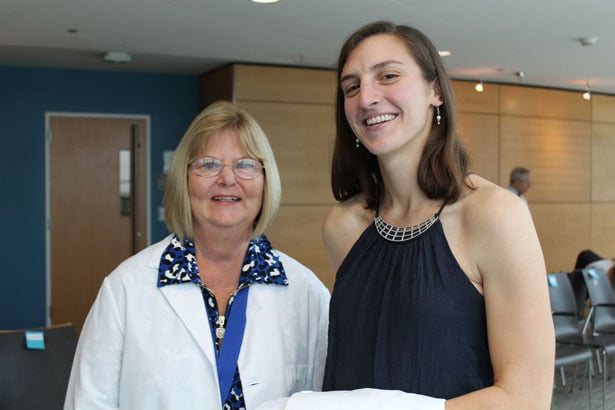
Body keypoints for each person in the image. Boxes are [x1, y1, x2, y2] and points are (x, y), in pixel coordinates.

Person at [257, 21, 555, 410]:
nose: (366, 98)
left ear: (435, 91)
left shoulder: (494, 214)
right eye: (351, 87)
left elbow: (526, 400)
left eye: (388, 76)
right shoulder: (343, 225)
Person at [64, 101, 330, 410]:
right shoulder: (125, 288)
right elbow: (88, 403)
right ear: (184, 178)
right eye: (209, 164)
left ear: (265, 180)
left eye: (245, 165)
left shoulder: (306, 292)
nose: (227, 179)